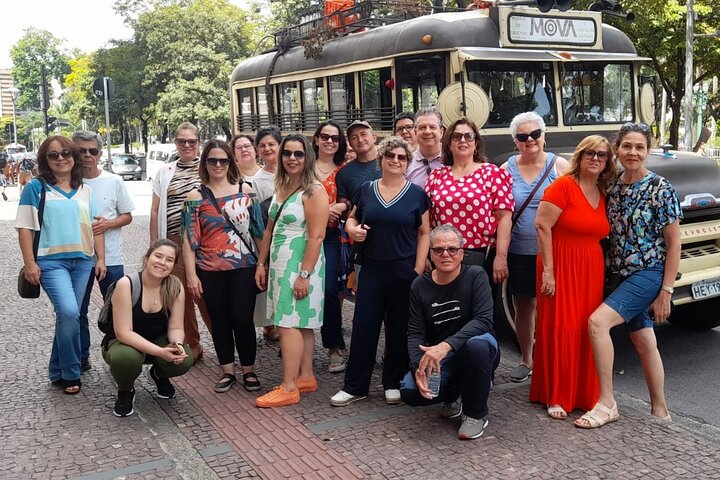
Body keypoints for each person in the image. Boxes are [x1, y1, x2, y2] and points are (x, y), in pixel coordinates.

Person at [577, 123, 680, 428]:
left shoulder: (661, 188)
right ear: (617, 149)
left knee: (598, 323)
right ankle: (660, 411)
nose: (633, 153)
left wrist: (666, 291)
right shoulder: (611, 184)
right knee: (644, 341)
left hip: (647, 273)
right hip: (617, 274)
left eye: (639, 147)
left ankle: (607, 403)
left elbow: (674, 244)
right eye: (627, 147)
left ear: (648, 151)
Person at [331, 136, 431, 407]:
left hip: (404, 269)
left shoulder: (416, 194)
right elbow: (352, 216)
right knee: (364, 326)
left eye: (401, 157)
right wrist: (352, 229)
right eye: (391, 156)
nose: (395, 161)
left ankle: (393, 381)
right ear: (381, 159)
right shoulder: (366, 189)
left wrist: (418, 268)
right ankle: (355, 385)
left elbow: (424, 232)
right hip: (372, 268)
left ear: (408, 162)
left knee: (398, 328)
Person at [531, 135, 616, 420]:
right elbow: (542, 226)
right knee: (560, 326)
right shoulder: (563, 186)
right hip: (560, 264)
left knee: (585, 329)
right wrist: (549, 272)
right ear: (579, 156)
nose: (596, 159)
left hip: (590, 268)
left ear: (607, 162)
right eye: (590, 153)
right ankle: (555, 393)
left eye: (602, 155)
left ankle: (582, 393)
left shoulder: (604, 192)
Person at [16, 135, 106, 395]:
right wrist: (30, 263)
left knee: (72, 315)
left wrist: (100, 259)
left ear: (74, 157)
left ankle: (56, 369)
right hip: (51, 262)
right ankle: (70, 372)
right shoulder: (36, 187)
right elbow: (24, 228)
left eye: (66, 153)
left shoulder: (85, 190)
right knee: (67, 311)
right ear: (45, 159)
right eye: (53, 155)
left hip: (82, 262)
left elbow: (96, 227)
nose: (61, 159)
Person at [400, 225, 500, 440]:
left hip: (476, 348)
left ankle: (476, 413)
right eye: (439, 250)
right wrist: (418, 366)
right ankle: (456, 394)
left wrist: (445, 346)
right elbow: (415, 333)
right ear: (431, 254)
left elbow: (483, 320)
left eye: (452, 249)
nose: (446, 254)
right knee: (410, 392)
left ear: (462, 253)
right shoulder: (419, 285)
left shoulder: (475, 275)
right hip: (442, 358)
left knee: (477, 347)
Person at [182, 140, 265, 393]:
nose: (218, 165)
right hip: (209, 268)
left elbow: (258, 230)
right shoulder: (195, 196)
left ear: (230, 161)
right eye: (212, 160)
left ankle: (248, 369)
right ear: (204, 163)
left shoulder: (246, 189)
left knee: (242, 318)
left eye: (223, 160)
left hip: (244, 266)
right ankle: (227, 370)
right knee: (219, 320)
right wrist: (191, 275)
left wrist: (263, 264)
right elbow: (188, 239)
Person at [254, 134, 329, 408]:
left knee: (287, 324)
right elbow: (269, 229)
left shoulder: (314, 191)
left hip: (299, 265)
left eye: (299, 154)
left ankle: (288, 386)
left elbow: (317, 237)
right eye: (288, 153)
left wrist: (304, 275)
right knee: (300, 323)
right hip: (281, 265)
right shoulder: (282, 186)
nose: (292, 158)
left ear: (307, 157)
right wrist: (262, 263)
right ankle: (305, 376)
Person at [501, 112, 569, 383]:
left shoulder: (559, 166)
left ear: (543, 136)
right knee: (524, 304)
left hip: (552, 251)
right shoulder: (507, 169)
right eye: (522, 136)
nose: (529, 140)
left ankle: (551, 358)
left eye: (534, 134)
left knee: (554, 307)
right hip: (520, 249)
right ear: (515, 141)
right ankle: (526, 358)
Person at [101, 239, 192, 417]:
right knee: (126, 358)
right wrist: (160, 352)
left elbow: (176, 327)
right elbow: (124, 333)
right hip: (123, 343)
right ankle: (126, 391)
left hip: (157, 340)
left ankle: (159, 375)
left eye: (169, 260)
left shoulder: (175, 286)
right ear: (147, 258)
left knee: (185, 359)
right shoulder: (127, 284)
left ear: (173, 265)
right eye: (158, 256)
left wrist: (177, 345)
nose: (162, 263)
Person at [73, 131, 135, 374]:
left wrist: (108, 223)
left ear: (99, 154)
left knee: (118, 309)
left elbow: (128, 215)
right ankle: (81, 355)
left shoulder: (113, 181)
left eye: (93, 151)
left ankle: (116, 352)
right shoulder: (68, 182)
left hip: (112, 258)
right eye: (81, 150)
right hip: (77, 259)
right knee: (77, 309)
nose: (87, 155)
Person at [425, 117, 514, 283]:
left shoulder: (492, 174)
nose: (463, 140)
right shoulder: (436, 176)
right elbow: (427, 221)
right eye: (456, 136)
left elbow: (505, 218)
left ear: (476, 143)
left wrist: (501, 257)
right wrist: (424, 254)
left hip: (481, 255)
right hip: (443, 256)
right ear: (449, 144)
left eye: (468, 136)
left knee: (480, 307)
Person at [150, 122, 212, 362]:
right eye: (182, 141)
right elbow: (155, 211)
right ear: (175, 143)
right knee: (180, 296)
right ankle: (192, 344)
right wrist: (156, 244)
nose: (187, 145)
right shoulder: (165, 172)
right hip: (174, 243)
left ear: (199, 143)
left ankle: (223, 343)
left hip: (205, 243)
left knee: (207, 296)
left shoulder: (209, 167)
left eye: (192, 141)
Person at [312, 120, 349, 373]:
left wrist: (342, 206)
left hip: (331, 237)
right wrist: (327, 209)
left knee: (328, 290)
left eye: (335, 138)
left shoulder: (344, 170)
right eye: (324, 137)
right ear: (316, 139)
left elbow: (349, 197)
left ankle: (334, 346)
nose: (329, 142)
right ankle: (295, 339)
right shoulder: (303, 166)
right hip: (301, 236)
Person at [252, 126, 283, 342]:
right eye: (262, 145)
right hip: (269, 238)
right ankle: (272, 324)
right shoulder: (257, 180)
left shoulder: (293, 169)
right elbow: (258, 217)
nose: (267, 149)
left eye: (272, 144)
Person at [406, 107, 444, 188]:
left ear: (441, 132)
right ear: (415, 132)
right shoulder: (407, 162)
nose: (427, 131)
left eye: (432, 127)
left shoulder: (454, 160)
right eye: (422, 127)